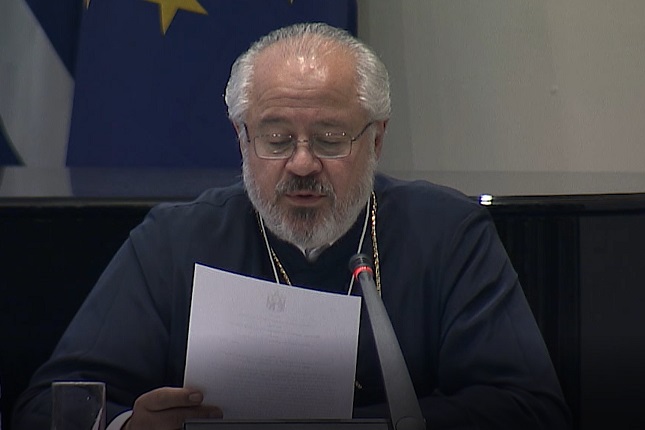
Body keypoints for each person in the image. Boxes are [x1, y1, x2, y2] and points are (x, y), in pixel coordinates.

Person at [13, 22, 571, 429]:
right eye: (277, 139)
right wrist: (128, 426)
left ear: (376, 140)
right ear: (242, 139)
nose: (302, 164)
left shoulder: (447, 234)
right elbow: (47, 407)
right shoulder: (175, 241)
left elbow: (532, 407)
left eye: (329, 139)